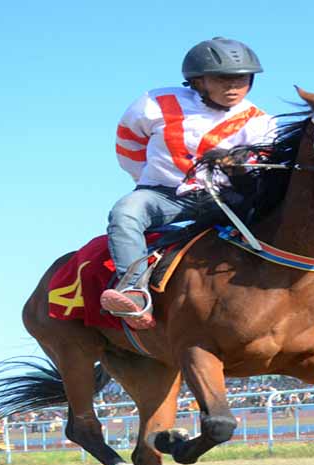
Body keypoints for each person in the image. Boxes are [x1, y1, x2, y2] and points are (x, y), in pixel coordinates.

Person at [102, 37, 276, 329]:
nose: (233, 87)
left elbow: (262, 169)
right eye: (222, 79)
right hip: (163, 195)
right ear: (197, 81)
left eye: (242, 78)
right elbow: (128, 145)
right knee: (125, 212)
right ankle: (134, 292)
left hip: (222, 200)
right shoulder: (154, 103)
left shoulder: (260, 122)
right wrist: (148, 178)